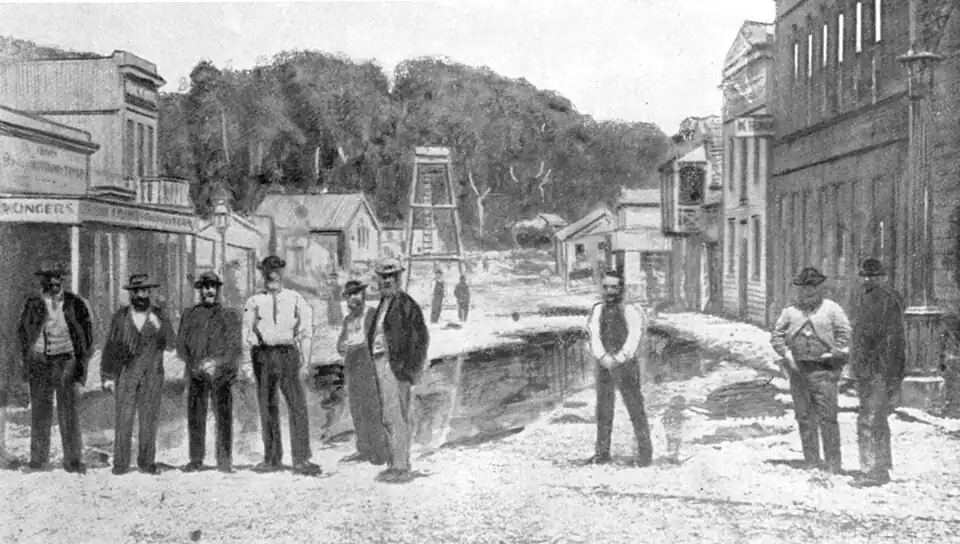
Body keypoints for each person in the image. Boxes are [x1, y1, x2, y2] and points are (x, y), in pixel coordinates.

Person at [241, 255, 321, 476]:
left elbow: (306, 331)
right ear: (262, 274)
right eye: (267, 271)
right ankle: (272, 458)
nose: (271, 275)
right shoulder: (254, 301)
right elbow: (247, 333)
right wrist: (248, 362)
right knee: (267, 406)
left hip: (287, 354)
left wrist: (306, 361)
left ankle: (302, 459)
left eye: (275, 270)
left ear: (282, 273)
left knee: (297, 405)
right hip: (263, 355)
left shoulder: (295, 299)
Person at [771, 266, 851, 474]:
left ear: (819, 288)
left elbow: (845, 335)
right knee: (805, 416)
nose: (808, 292)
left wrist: (835, 353)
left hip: (824, 371)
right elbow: (776, 336)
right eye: (804, 288)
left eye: (812, 288)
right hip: (799, 371)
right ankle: (812, 459)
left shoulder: (832, 309)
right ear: (799, 289)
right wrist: (787, 354)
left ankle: (834, 463)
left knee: (828, 417)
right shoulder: (790, 312)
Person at [17, 262, 93, 473]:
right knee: (40, 411)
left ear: (63, 281)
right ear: (42, 283)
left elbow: (86, 337)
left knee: (68, 412)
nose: (53, 284)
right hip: (40, 361)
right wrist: (26, 363)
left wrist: (81, 368)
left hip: (66, 361)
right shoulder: (32, 304)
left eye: (57, 279)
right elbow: (22, 334)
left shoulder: (75, 304)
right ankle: (38, 461)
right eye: (48, 280)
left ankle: (73, 461)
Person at [100, 274, 177, 475]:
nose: (140, 295)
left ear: (149, 293)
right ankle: (121, 464)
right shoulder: (120, 316)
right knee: (123, 419)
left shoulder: (159, 315)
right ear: (131, 294)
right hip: (126, 374)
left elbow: (171, 344)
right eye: (136, 291)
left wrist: (158, 325)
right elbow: (110, 347)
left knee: (148, 420)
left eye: (144, 291)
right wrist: (107, 376)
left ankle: (146, 462)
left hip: (152, 375)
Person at [366, 257, 430, 482]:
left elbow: (420, 339)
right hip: (381, 363)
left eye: (390, 278)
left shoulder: (406, 304)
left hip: (396, 367)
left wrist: (410, 370)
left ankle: (401, 466)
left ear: (398, 279)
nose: (386, 281)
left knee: (398, 417)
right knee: (388, 416)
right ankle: (395, 462)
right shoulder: (383, 305)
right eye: (383, 278)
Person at [584, 269, 653, 466]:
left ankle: (645, 455)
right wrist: (603, 357)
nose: (609, 291)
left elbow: (634, 337)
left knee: (635, 408)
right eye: (606, 287)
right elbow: (594, 335)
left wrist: (620, 357)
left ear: (620, 288)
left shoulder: (630, 310)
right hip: (604, 364)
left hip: (625, 366)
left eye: (613, 287)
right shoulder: (597, 309)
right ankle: (602, 453)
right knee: (604, 409)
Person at [177, 271, 243, 473]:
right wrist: (195, 363)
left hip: (221, 375)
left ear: (218, 290)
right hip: (197, 373)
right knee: (196, 416)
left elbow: (234, 348)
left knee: (223, 417)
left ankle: (224, 461)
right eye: (206, 287)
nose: (209, 291)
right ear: (200, 290)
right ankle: (196, 460)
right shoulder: (190, 314)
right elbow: (181, 345)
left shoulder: (229, 315)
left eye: (213, 287)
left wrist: (216, 363)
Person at [849, 259, 905, 488]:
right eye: (865, 276)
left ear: (882, 277)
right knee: (877, 418)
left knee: (868, 419)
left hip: (879, 371)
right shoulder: (866, 299)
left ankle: (871, 470)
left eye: (873, 276)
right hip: (869, 370)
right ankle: (881, 465)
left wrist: (885, 373)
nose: (868, 280)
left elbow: (892, 341)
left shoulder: (886, 300)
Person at [336, 279, 388, 465]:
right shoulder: (348, 320)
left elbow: (380, 340)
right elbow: (340, 345)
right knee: (357, 408)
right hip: (352, 365)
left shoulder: (372, 315)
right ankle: (364, 449)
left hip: (369, 364)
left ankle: (380, 451)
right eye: (350, 295)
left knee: (372, 408)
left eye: (356, 294)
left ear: (363, 296)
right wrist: (343, 346)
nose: (353, 299)